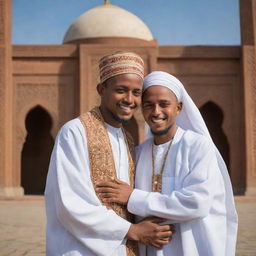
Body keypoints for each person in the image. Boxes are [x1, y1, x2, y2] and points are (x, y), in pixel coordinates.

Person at [97, 71, 238, 256]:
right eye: (149, 105)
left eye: (164, 104)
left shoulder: (198, 147)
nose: (156, 112)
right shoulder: (139, 153)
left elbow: (197, 203)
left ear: (178, 108)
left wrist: (133, 198)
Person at [44, 54, 174, 256]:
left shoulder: (127, 139)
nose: (129, 100)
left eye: (136, 92)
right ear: (101, 90)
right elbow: (70, 203)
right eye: (121, 90)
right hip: (80, 249)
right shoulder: (75, 132)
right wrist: (132, 231)